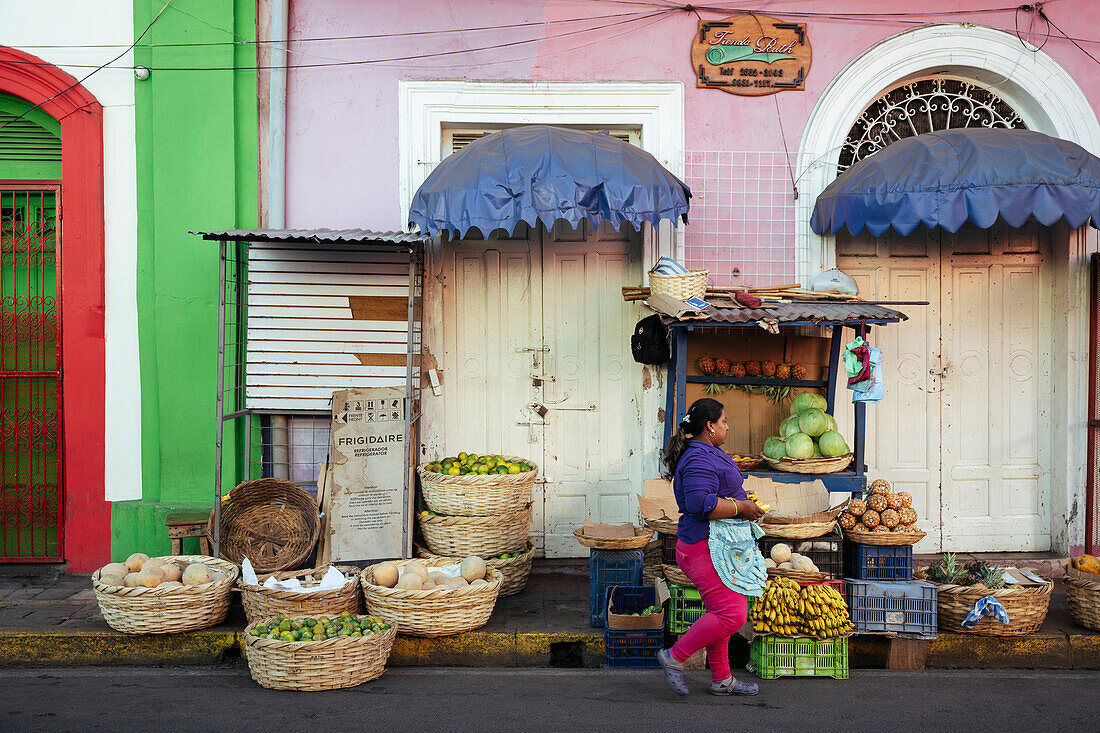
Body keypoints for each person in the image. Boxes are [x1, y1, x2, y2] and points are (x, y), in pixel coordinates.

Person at [656, 397, 765, 696]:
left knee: (721, 612)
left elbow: (714, 492)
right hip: (702, 545)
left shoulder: (707, 452)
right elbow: (698, 503)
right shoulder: (699, 458)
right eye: (724, 422)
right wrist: (739, 505)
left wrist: (739, 497)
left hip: (718, 544)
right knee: (732, 615)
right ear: (710, 426)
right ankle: (674, 656)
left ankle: (722, 679)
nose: (727, 427)